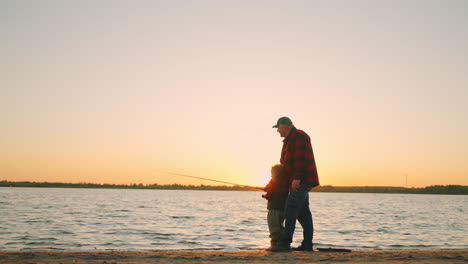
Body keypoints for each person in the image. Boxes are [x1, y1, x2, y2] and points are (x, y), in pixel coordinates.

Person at [271, 116, 320, 252]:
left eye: (278, 128)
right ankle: (307, 245)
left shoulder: (299, 136)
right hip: (299, 181)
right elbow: (286, 163)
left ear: (286, 126)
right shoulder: (288, 140)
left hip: (301, 181)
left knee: (290, 210)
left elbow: (300, 159)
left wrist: (297, 179)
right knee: (303, 214)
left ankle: (285, 244)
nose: (277, 131)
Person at [262, 164, 290, 251]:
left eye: (271, 173)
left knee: (273, 226)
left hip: (273, 208)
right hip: (283, 208)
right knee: (280, 226)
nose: (271, 175)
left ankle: (274, 244)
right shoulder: (286, 180)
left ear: (275, 173)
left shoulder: (274, 181)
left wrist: (265, 196)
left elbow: (270, 194)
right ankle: (282, 244)